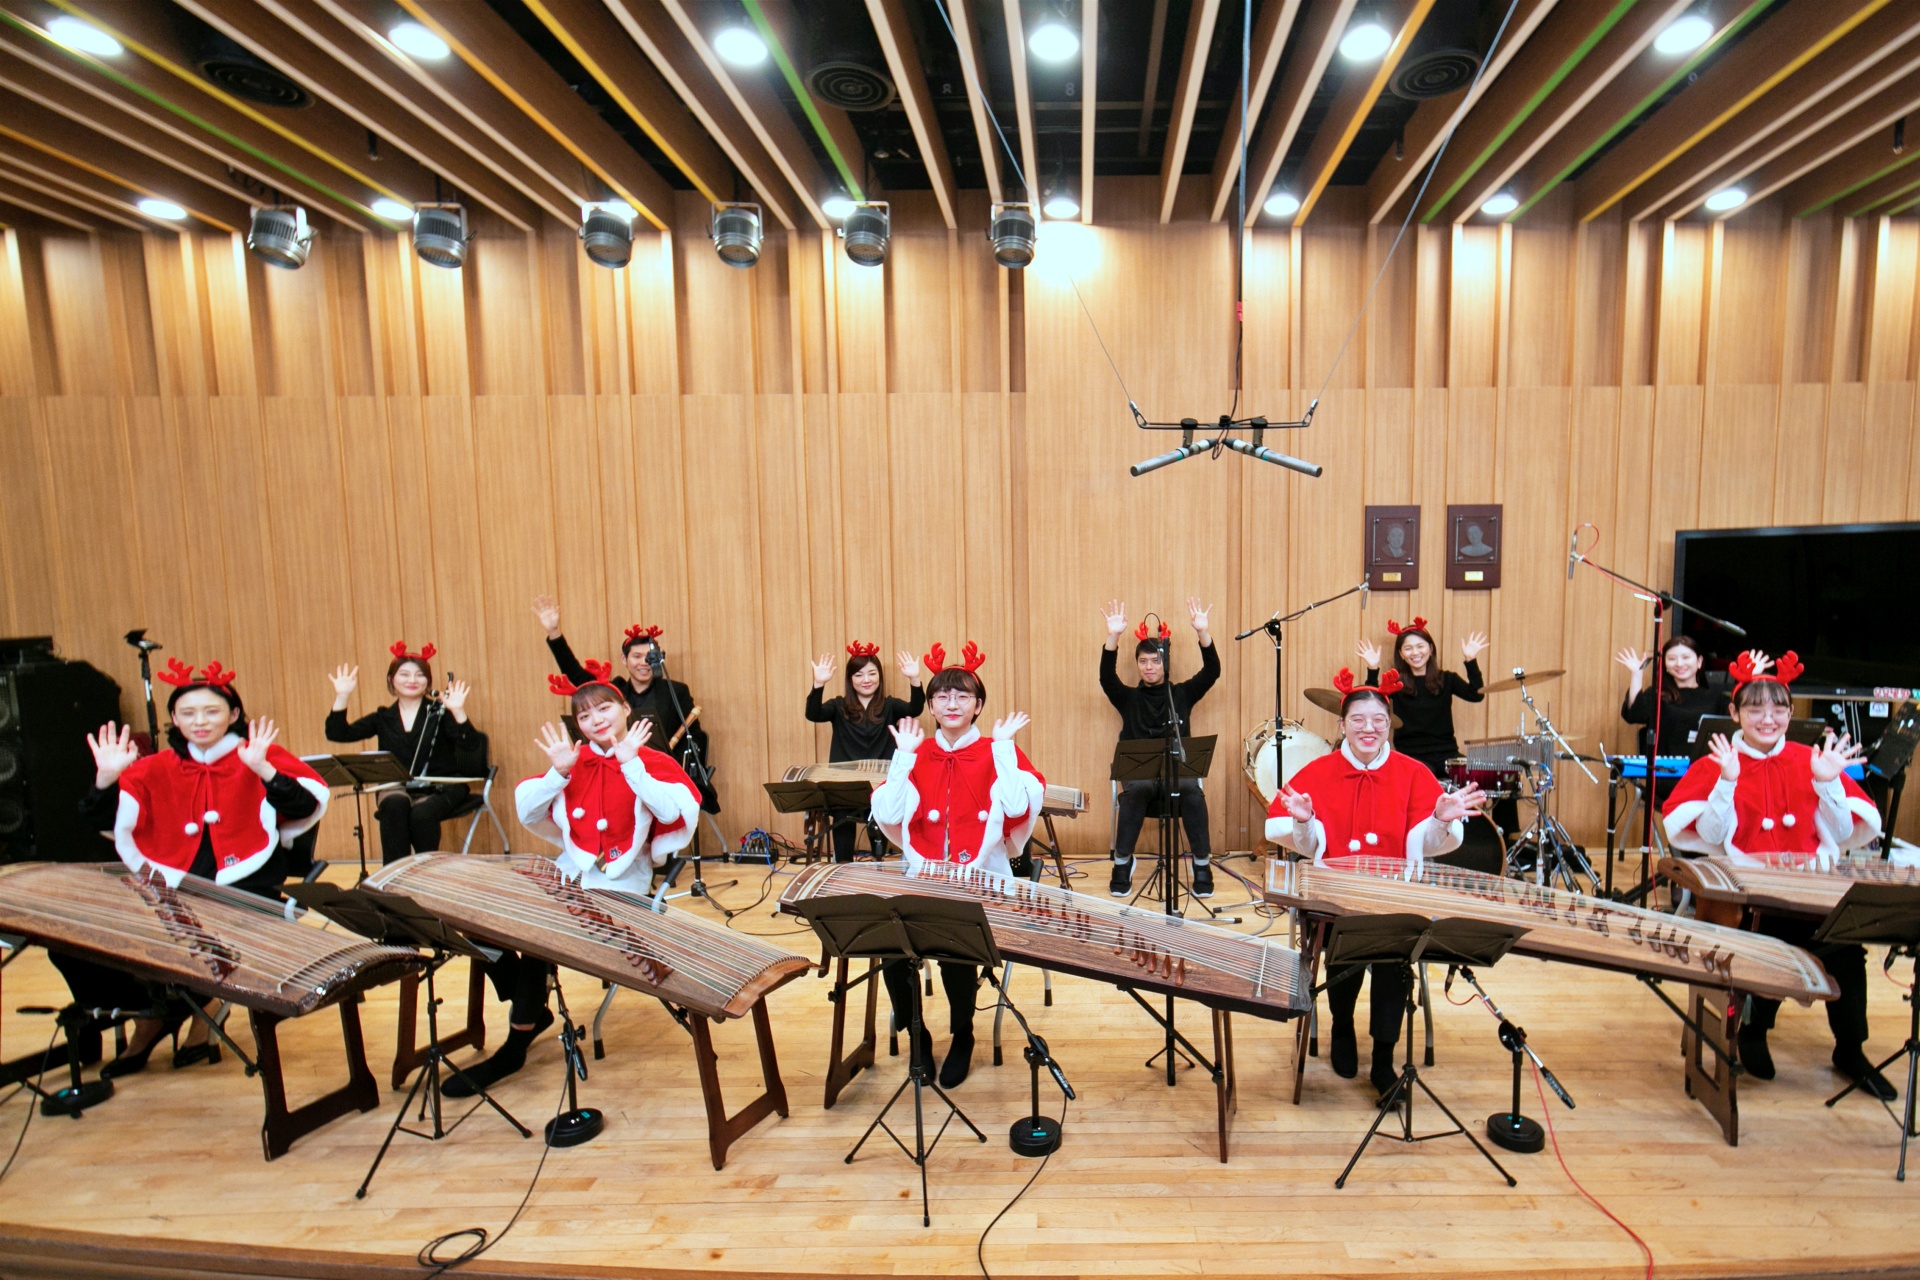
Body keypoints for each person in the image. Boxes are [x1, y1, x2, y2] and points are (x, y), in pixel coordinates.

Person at [446, 659, 704, 1099]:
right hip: (570, 873)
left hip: (621, 885)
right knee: (478, 917)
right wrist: (558, 773)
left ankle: (517, 1040)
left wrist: (632, 766)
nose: (595, 720)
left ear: (625, 709)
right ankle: (527, 1007)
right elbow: (527, 809)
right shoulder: (572, 760)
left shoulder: (652, 760)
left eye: (604, 708)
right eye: (584, 715)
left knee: (541, 935)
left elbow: (672, 811)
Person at [75, 658, 329, 1078]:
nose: (200, 721)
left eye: (211, 711)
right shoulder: (155, 767)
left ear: (233, 714)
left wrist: (264, 770)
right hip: (173, 884)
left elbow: (304, 805)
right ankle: (152, 1012)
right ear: (174, 718)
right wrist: (106, 779)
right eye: (188, 713)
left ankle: (191, 1007)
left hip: (246, 886)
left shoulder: (258, 755)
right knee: (91, 938)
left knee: (190, 929)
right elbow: (104, 820)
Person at [1663, 650, 1890, 1100]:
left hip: (1812, 890)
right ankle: (1754, 1031)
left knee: (1847, 953)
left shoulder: (1812, 758)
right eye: (1755, 709)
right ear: (1734, 713)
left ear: (1790, 712)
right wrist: (1727, 780)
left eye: (1778, 709)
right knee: (1764, 947)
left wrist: (1828, 781)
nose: (1768, 719)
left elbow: (1845, 833)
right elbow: (1707, 836)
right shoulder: (1715, 762)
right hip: (1749, 900)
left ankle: (1851, 1050)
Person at [1265, 669, 1486, 1096]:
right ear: (1342, 724)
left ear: (1389, 724)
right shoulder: (1318, 771)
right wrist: (1305, 821)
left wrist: (1439, 820)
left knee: (1394, 961)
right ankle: (1342, 1027)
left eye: (1378, 720)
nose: (1369, 728)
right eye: (1358, 720)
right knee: (1343, 949)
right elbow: (1307, 846)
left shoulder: (1413, 772)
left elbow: (1429, 844)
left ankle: (1384, 1058)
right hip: (1337, 896)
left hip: (1394, 894)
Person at [869, 641, 1045, 1088]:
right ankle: (917, 1035)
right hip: (925, 878)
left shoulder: (996, 749)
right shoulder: (917, 751)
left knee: (954, 947)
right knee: (891, 949)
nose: (952, 703)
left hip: (980, 880)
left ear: (978, 705)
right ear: (930, 705)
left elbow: (1017, 806)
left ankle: (963, 1034)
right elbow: (888, 814)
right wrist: (903, 758)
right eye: (942, 696)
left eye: (962, 695)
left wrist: (1004, 749)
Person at [532, 596, 718, 815]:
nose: (643, 663)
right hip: (617, 772)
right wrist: (554, 633)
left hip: (659, 772)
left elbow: (694, 737)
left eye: (650, 657)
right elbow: (576, 675)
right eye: (636, 656)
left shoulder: (675, 691)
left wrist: (676, 767)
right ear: (624, 659)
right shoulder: (614, 691)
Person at [324, 642, 488, 864]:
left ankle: (426, 872)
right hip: (397, 785)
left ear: (428, 681)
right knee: (393, 805)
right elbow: (338, 733)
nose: (412, 680)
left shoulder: (440, 713)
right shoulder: (383, 717)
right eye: (404, 674)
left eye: (420, 675)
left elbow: (471, 746)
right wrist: (342, 696)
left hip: (443, 787)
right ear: (391, 679)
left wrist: (458, 712)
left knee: (421, 814)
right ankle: (394, 874)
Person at [1099, 598, 1220, 898]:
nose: (1149, 667)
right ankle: (1122, 864)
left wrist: (1202, 633)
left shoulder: (1182, 694)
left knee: (1192, 791)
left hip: (1176, 775)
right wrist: (1113, 637)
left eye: (1155, 661)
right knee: (1137, 789)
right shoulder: (1128, 698)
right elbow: (1106, 678)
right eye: (1143, 661)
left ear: (1165, 662)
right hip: (1140, 777)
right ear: (1138, 664)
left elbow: (1212, 671)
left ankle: (1201, 865)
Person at [805, 641, 925, 861]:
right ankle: (843, 867)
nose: (866, 680)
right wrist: (818, 684)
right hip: (845, 787)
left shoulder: (890, 706)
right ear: (850, 679)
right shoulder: (839, 706)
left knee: (881, 818)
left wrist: (914, 679)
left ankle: (878, 866)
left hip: (881, 783)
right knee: (842, 817)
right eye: (859, 675)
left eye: (872, 673)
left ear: (880, 676)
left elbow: (914, 708)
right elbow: (813, 714)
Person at [1615, 635, 1729, 763]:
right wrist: (1637, 674)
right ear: (1665, 664)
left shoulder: (1716, 696)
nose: (1679, 664)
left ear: (1699, 661)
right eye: (1672, 659)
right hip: (1665, 768)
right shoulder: (1658, 693)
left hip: (1706, 766)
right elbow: (1634, 714)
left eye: (1686, 657)